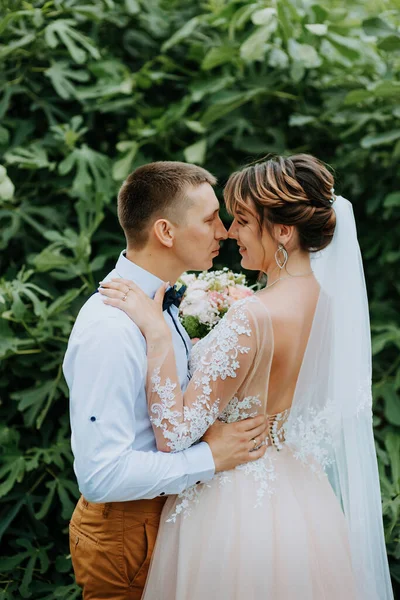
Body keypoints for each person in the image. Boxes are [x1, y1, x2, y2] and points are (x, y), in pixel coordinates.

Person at [99, 154, 394, 600]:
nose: (229, 232)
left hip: (232, 503)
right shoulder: (334, 305)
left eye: (240, 220)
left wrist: (158, 334)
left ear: (282, 231)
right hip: (301, 497)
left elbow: (176, 433)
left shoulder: (254, 314)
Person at [63, 161, 270, 600]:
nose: (225, 232)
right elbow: (102, 475)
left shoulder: (159, 301)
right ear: (166, 232)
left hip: (164, 518)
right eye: (211, 218)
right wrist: (209, 458)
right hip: (126, 533)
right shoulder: (112, 328)